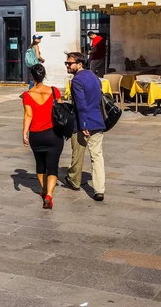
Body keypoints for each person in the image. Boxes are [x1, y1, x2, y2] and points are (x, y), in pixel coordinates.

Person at [64, 52, 106, 201]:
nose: (67, 66)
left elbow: (81, 105)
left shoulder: (76, 81)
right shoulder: (94, 77)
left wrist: (83, 124)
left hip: (83, 122)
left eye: (70, 63)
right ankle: (99, 189)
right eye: (66, 63)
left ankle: (74, 181)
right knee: (97, 156)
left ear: (79, 64)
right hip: (98, 121)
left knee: (78, 153)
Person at [22, 64, 64, 209]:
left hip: (36, 135)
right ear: (44, 74)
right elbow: (61, 111)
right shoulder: (54, 91)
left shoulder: (27, 95)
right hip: (54, 134)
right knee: (52, 167)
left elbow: (28, 115)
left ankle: (44, 190)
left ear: (32, 76)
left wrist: (24, 133)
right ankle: (49, 195)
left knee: (40, 165)